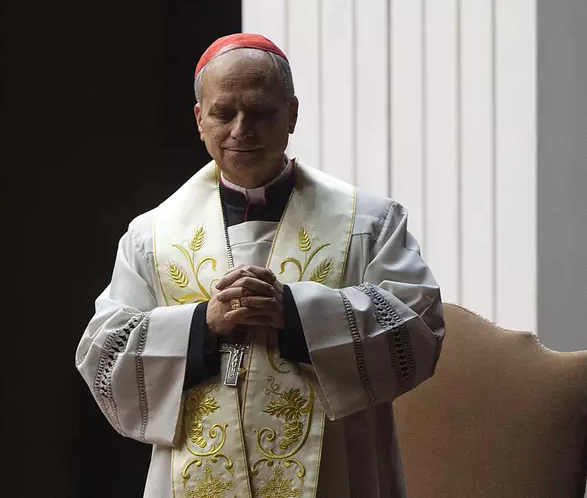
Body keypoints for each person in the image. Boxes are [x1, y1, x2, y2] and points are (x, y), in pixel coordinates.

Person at [75, 33, 445, 498]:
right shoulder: (151, 235)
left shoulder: (368, 222)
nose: (241, 130)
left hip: (335, 472)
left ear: (291, 114)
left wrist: (294, 313)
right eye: (223, 113)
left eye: (261, 113)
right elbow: (106, 359)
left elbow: (419, 329)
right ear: (199, 120)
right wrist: (199, 327)